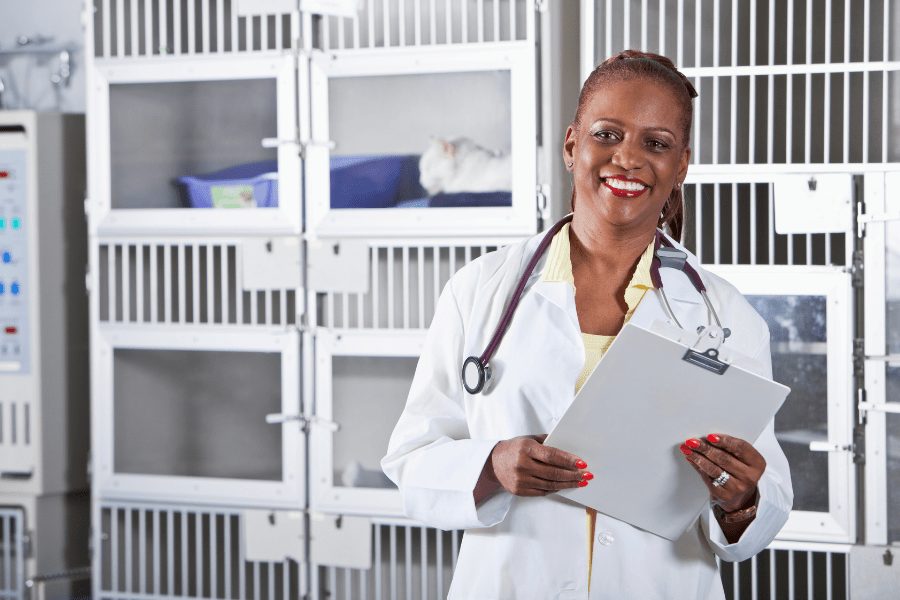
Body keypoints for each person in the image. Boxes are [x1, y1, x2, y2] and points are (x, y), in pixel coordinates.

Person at [381, 50, 792, 599]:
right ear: (573, 145)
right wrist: (492, 464)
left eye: (656, 143)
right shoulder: (478, 290)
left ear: (681, 165)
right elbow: (413, 457)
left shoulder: (728, 317)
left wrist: (742, 496)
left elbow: (765, 499)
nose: (628, 159)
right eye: (607, 134)